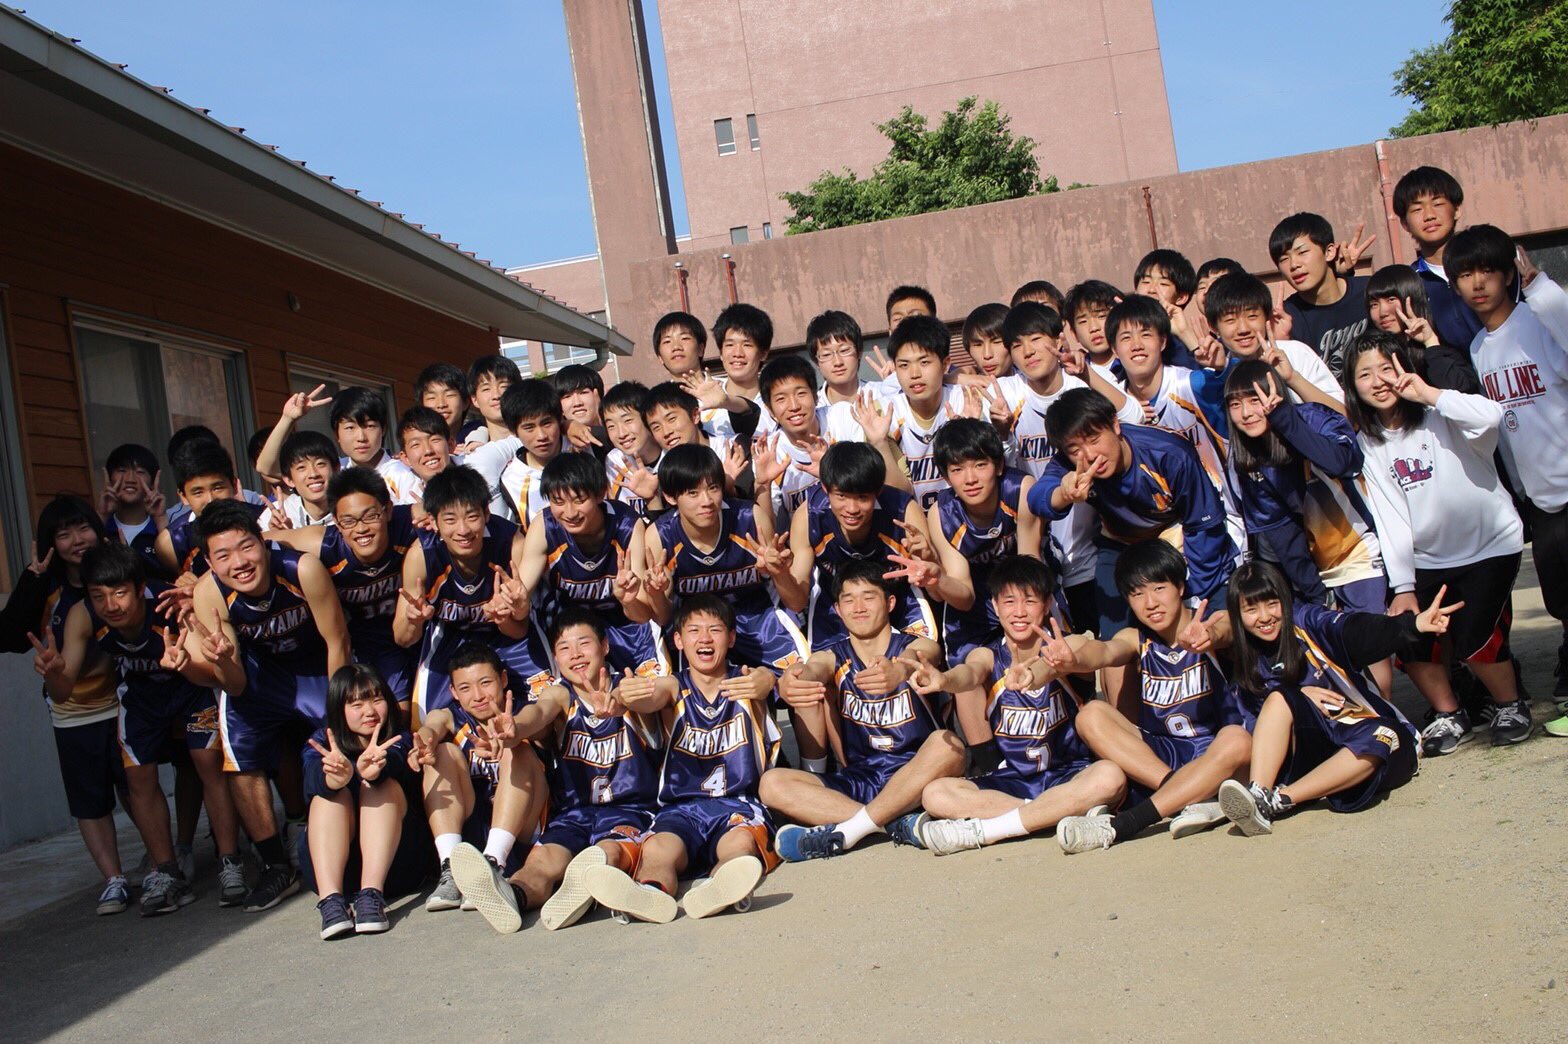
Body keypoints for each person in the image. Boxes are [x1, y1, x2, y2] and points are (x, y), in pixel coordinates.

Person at [1343, 332, 1531, 749]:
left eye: (1386, 369)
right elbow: (1391, 517)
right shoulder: (1368, 443)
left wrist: (1429, 393)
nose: (1378, 381)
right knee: (1409, 634)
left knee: (1476, 636)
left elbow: (1491, 417)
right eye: (1364, 374)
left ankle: (1510, 705)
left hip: (1490, 545)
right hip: (1429, 558)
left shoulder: (1441, 413)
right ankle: (1449, 714)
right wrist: (1404, 587)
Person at [39, 544, 241, 913]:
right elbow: (63, 691)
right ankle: (167, 872)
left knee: (206, 762)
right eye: (98, 595)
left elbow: (211, 674)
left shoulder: (169, 605)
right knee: (137, 776)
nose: (110, 605)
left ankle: (230, 861)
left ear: (140, 587)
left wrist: (183, 665)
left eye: (119, 593)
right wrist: (53, 675)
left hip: (191, 687)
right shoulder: (82, 615)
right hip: (141, 695)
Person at [442, 611, 661, 933]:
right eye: (564, 648)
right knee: (540, 864)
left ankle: (583, 887)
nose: (576, 655)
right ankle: (512, 896)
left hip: (631, 811)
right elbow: (538, 712)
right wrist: (514, 729)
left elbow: (647, 696)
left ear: (604, 646)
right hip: (574, 814)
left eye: (584, 644)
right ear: (556, 659)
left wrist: (620, 701)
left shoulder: (629, 689)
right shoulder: (560, 695)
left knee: (608, 853)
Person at [184, 498, 351, 911]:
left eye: (246, 547)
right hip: (259, 675)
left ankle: (353, 844)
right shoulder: (210, 593)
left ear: (263, 542)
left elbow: (337, 641)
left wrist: (337, 710)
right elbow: (236, 685)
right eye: (223, 555)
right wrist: (223, 661)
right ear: (209, 561)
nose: (239, 563)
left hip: (314, 664)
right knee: (239, 756)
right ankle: (276, 866)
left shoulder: (301, 569)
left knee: (343, 738)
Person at [1028, 387, 1238, 710]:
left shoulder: (1168, 452)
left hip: (1180, 535)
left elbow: (1203, 525)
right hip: (1120, 543)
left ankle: (1238, 709)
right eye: (1075, 449)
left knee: (1219, 623)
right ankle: (1125, 727)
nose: (1089, 455)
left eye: (1094, 439)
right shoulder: (1072, 465)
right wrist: (1063, 494)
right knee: (1114, 642)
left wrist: (1192, 591)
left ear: (1115, 424)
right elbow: (1038, 499)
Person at [907, 556, 1128, 855]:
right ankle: (1053, 813)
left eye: (1030, 601)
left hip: (1070, 773)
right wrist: (944, 680)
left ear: (1047, 604)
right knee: (936, 793)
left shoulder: (1067, 646)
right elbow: (969, 673)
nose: (1019, 612)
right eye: (1009, 602)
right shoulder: (987, 655)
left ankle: (992, 829)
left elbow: (1081, 654)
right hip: (1014, 780)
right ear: (995, 606)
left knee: (1110, 776)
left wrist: (1038, 672)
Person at [1045, 539, 1252, 852]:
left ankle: (1127, 823)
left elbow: (1227, 630)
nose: (1150, 603)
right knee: (1090, 715)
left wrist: (1209, 636)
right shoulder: (1135, 638)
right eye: (1137, 594)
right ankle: (1184, 794)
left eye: (1159, 588)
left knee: (1237, 739)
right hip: (1163, 757)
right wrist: (1074, 660)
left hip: (1217, 752)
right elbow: (1104, 651)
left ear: (1180, 586)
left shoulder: (1209, 621)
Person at [585, 595, 778, 922]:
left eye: (715, 630)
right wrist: (620, 698)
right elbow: (650, 695)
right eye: (694, 630)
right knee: (658, 849)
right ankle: (650, 893)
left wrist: (768, 678)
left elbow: (766, 679)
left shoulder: (748, 681)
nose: (705, 639)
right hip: (681, 808)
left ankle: (719, 888)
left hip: (738, 804)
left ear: (731, 638)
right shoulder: (673, 687)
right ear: (678, 640)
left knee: (739, 845)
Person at [762, 561, 964, 860]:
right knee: (772, 784)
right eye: (848, 600)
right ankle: (894, 824)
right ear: (838, 610)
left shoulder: (916, 645)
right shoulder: (832, 656)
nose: (858, 608)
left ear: (890, 603)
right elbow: (814, 668)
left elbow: (922, 655)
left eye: (868, 597)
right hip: (861, 779)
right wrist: (794, 679)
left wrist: (898, 670)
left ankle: (848, 830)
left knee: (949, 746)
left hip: (917, 772)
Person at [1216, 561, 1432, 836]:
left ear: (1285, 601)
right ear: (1238, 616)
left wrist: (1413, 625)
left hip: (1361, 730)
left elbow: (1356, 630)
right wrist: (1299, 695)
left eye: (1272, 604)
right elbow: (1258, 729)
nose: (1265, 617)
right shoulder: (1247, 664)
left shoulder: (1307, 621)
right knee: (1279, 698)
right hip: (1312, 751)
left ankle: (1278, 801)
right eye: (1251, 610)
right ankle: (1259, 793)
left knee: (1383, 734)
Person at [1448, 224, 1568, 713]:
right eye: (1465, 274)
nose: (1477, 283)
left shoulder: (1540, 320)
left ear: (1508, 274)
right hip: (1537, 495)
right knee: (1559, 594)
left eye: (1488, 271)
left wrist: (1542, 288)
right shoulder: (1479, 348)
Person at [2, 497, 129, 915]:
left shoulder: (118, 570)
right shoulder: (48, 588)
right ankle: (113, 879)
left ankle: (161, 864)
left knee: (137, 789)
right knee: (89, 800)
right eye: (64, 534)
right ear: (51, 543)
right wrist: (32, 579)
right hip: (73, 712)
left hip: (125, 706)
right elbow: (7, 637)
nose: (77, 540)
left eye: (83, 528)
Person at [996, 301, 1142, 632]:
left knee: (1107, 633)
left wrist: (1087, 374)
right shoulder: (1003, 393)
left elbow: (1132, 418)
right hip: (1037, 531)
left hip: (1093, 533)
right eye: (1017, 345)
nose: (1028, 352)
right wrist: (1001, 432)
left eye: (1036, 339)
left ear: (1058, 338)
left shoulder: (1086, 379)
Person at [1222, 360, 1386, 620]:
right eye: (1235, 404)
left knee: (1372, 636)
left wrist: (1284, 420)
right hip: (1313, 572)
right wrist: (1318, 595)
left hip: (1358, 552)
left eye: (1255, 400)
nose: (1245, 413)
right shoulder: (1245, 456)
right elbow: (1280, 533)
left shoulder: (1314, 417)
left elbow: (1342, 463)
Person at [396, 466, 551, 723]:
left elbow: (519, 629)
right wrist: (414, 621)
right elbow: (402, 638)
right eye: (450, 520)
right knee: (424, 722)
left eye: (471, 516)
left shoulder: (511, 543)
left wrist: (506, 617)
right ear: (433, 522)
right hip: (450, 635)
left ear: (486, 513)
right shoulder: (421, 555)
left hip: (506, 637)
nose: (463, 530)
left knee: (547, 709)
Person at [640, 444, 808, 674]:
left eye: (713, 488)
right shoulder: (659, 537)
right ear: (670, 497)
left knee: (802, 679)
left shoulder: (750, 518)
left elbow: (796, 603)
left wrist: (779, 572)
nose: (707, 501)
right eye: (693, 493)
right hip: (699, 626)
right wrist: (656, 594)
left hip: (758, 617)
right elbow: (663, 617)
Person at [407, 643, 549, 914]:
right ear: (453, 692)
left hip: (522, 833)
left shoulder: (523, 713)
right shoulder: (451, 717)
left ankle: (493, 865)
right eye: (465, 688)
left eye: (485, 683)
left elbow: (537, 720)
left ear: (503, 679)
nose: (478, 696)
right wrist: (425, 742)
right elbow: (433, 725)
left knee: (517, 749)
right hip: (474, 834)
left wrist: (513, 734)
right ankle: (451, 867)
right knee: (442, 753)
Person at [266, 467, 425, 707]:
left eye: (370, 516)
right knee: (390, 713)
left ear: (388, 510)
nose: (361, 529)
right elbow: (254, 543)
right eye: (348, 521)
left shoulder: (410, 521)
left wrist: (435, 515)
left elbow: (453, 509)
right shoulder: (323, 544)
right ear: (336, 523)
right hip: (364, 641)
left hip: (418, 628)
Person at [891, 419, 1041, 662]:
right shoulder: (942, 514)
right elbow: (965, 597)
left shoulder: (1020, 489)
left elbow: (1031, 563)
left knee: (1050, 660)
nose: (970, 479)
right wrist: (939, 579)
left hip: (1026, 586)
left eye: (980, 465)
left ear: (999, 465)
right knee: (968, 670)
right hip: (976, 601)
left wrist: (1016, 611)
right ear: (946, 476)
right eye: (957, 469)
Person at [301, 664, 431, 939]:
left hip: (397, 867)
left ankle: (371, 896)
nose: (369, 711)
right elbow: (311, 778)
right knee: (328, 797)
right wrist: (331, 779)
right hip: (338, 872)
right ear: (338, 709)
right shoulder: (322, 742)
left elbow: (397, 760)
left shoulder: (400, 738)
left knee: (380, 787)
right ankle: (331, 902)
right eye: (356, 704)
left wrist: (376, 771)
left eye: (376, 699)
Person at [513, 452, 664, 677]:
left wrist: (628, 600)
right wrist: (513, 604)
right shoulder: (544, 526)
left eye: (579, 500)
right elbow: (520, 597)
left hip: (624, 622)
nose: (570, 513)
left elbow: (643, 614)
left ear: (601, 493)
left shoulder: (627, 524)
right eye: (558, 502)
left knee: (650, 685)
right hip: (568, 626)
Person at [785, 441, 936, 650]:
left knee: (920, 661)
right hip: (837, 604)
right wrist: (779, 573)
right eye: (841, 496)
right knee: (825, 667)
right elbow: (797, 603)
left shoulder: (904, 511)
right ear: (825, 489)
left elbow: (936, 590)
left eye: (862, 497)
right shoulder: (808, 516)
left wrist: (929, 559)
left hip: (899, 600)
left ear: (878, 491)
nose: (852, 508)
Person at [750, 353, 877, 529]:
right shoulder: (770, 453)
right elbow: (769, 530)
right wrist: (763, 484)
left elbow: (869, 486)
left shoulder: (843, 418)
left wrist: (828, 472)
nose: (794, 406)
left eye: (801, 393)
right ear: (770, 410)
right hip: (804, 540)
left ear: (816, 397)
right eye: (781, 399)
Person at [1202, 272, 1347, 410]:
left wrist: (1293, 378)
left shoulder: (1296, 353)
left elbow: (1344, 416)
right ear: (1214, 327)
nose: (1243, 329)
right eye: (1230, 320)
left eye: (1252, 316)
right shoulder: (1212, 377)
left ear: (1268, 317)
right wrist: (1223, 372)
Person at [1269, 212, 1375, 376]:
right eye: (1283, 259)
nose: (1294, 264)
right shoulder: (1286, 320)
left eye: (1302, 252)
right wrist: (1283, 344)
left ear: (1329, 252)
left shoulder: (1370, 291)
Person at [884, 314, 973, 508]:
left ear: (945, 364)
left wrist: (969, 433)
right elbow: (901, 492)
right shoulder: (885, 414)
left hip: (963, 518)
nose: (914, 374)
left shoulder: (967, 401)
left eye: (924, 362)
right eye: (904, 365)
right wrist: (878, 442)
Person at [1391, 165, 1482, 349]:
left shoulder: (1486, 262)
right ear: (1404, 223)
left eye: (1438, 204)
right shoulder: (1408, 283)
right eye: (1417, 209)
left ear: (1457, 210)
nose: (1429, 215)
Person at [1363, 264, 1481, 394]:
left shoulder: (1442, 346)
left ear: (1412, 299)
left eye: (1391, 300)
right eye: (1374, 304)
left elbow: (1460, 390)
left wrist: (1430, 342)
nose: (1382, 312)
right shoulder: (1368, 353)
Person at [497, 379, 567, 529]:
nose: (541, 436)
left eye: (546, 423)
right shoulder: (511, 481)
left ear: (560, 418)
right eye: (529, 427)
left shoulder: (590, 447)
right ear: (513, 431)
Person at [101, 443, 169, 578]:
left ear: (153, 481)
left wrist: (160, 518)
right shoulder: (102, 527)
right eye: (122, 470)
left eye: (140, 472)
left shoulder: (162, 528)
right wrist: (102, 515)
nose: (130, 479)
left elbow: (177, 567)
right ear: (108, 477)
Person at [1131, 247, 1203, 369]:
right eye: (1146, 282)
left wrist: (1185, 333)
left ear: (1181, 297)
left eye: (1163, 284)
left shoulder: (1180, 347)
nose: (1151, 290)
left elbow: (1207, 375)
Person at [600, 381, 662, 515]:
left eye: (628, 420)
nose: (621, 433)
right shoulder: (614, 461)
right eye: (611, 426)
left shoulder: (672, 455)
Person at [807, 309, 890, 407]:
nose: (838, 362)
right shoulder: (812, 408)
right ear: (816, 361)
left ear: (859, 352)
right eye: (826, 355)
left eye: (844, 350)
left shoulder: (883, 394)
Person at [1063, 279, 1123, 376]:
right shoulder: (1073, 374)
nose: (1094, 328)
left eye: (1101, 316)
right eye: (1083, 321)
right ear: (1074, 333)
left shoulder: (1133, 365)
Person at [464, 354, 524, 450]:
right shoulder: (470, 453)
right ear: (474, 400)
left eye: (504, 386)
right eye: (486, 389)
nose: (496, 395)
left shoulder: (540, 445)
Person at [416, 361, 480, 444]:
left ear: (466, 402)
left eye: (449, 395)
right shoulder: (414, 445)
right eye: (431, 397)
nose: (441, 404)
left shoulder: (480, 439)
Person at [554, 363, 607, 453]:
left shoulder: (618, 435)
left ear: (597, 395)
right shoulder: (555, 444)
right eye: (567, 396)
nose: (577, 403)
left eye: (583, 393)